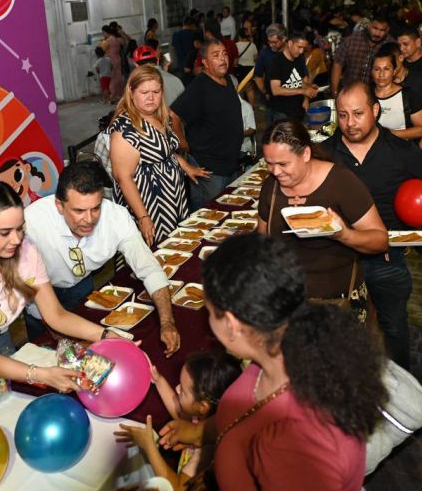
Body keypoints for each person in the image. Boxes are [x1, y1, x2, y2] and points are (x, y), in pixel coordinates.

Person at [158, 234, 386, 491]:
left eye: (209, 312)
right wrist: (198, 433)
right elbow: (241, 415)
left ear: (232, 325)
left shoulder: (294, 444)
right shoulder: (278, 354)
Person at [0, 181, 130, 401]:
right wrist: (41, 375)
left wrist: (107, 335)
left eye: (20, 228)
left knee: (5, 409)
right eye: (4, 232)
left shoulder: (25, 251)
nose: (16, 239)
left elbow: (55, 315)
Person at [325, 82, 422, 369]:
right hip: (339, 256)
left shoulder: (399, 150)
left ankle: (401, 384)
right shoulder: (325, 152)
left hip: (386, 258)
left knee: (394, 328)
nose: (350, 123)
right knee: (340, 331)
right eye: (343, 115)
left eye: (358, 113)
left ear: (375, 110)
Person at [23, 162, 181, 354]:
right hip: (36, 293)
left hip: (81, 284)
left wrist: (167, 322)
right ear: (59, 205)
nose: (89, 219)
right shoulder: (32, 223)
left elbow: (149, 269)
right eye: (79, 211)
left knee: (92, 352)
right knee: (45, 351)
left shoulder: (116, 217)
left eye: (96, 208)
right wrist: (48, 323)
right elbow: (24, 286)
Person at [258, 119, 388, 307]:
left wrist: (344, 235)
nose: (276, 171)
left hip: (335, 300)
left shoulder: (341, 182)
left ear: (305, 154)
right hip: (285, 297)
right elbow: (262, 237)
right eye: (269, 163)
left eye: (283, 164)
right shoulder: (271, 186)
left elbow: (380, 241)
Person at [114, 351, 242, 490]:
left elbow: (177, 488)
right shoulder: (204, 417)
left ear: (202, 407)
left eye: (183, 390)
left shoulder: (207, 450)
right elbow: (180, 413)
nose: (177, 388)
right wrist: (158, 380)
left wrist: (149, 446)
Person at [109, 65, 203, 245]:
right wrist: (143, 217)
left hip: (172, 198)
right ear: (131, 92)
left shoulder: (160, 116)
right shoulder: (124, 129)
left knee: (177, 249)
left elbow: (164, 152)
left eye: (156, 92)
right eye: (144, 92)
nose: (151, 97)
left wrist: (186, 166)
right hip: (149, 205)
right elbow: (123, 177)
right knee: (157, 253)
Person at [170, 39, 244, 210]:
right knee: (210, 213)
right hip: (210, 168)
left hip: (229, 163)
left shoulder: (227, 79)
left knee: (229, 211)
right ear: (205, 62)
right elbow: (173, 115)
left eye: (224, 54)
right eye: (216, 55)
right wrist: (182, 141)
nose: (223, 58)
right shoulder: (200, 86)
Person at [370, 53, 422, 142]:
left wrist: (389, 134)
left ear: (394, 71)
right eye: (376, 69)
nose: (381, 74)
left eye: (386, 69)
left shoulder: (408, 95)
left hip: (400, 148)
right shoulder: (365, 95)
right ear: (371, 71)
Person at [330, 14, 392, 92]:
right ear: (369, 25)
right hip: (350, 92)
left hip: (377, 94)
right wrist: (334, 92)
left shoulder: (391, 45)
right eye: (375, 28)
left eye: (382, 30)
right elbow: (338, 64)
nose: (377, 33)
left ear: (387, 30)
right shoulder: (352, 40)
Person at [267, 31, 319, 122]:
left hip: (298, 108)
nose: (301, 51)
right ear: (290, 43)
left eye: (303, 48)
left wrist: (309, 88)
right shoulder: (276, 61)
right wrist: (303, 91)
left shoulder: (300, 59)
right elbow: (276, 90)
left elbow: (301, 81)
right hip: (282, 112)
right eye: (299, 47)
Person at [102, 25, 125, 101]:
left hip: (111, 60)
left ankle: (113, 95)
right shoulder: (116, 39)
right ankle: (120, 93)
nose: (103, 35)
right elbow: (124, 43)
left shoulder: (108, 40)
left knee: (112, 78)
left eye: (103, 33)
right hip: (118, 58)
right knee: (118, 76)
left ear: (106, 32)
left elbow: (102, 49)